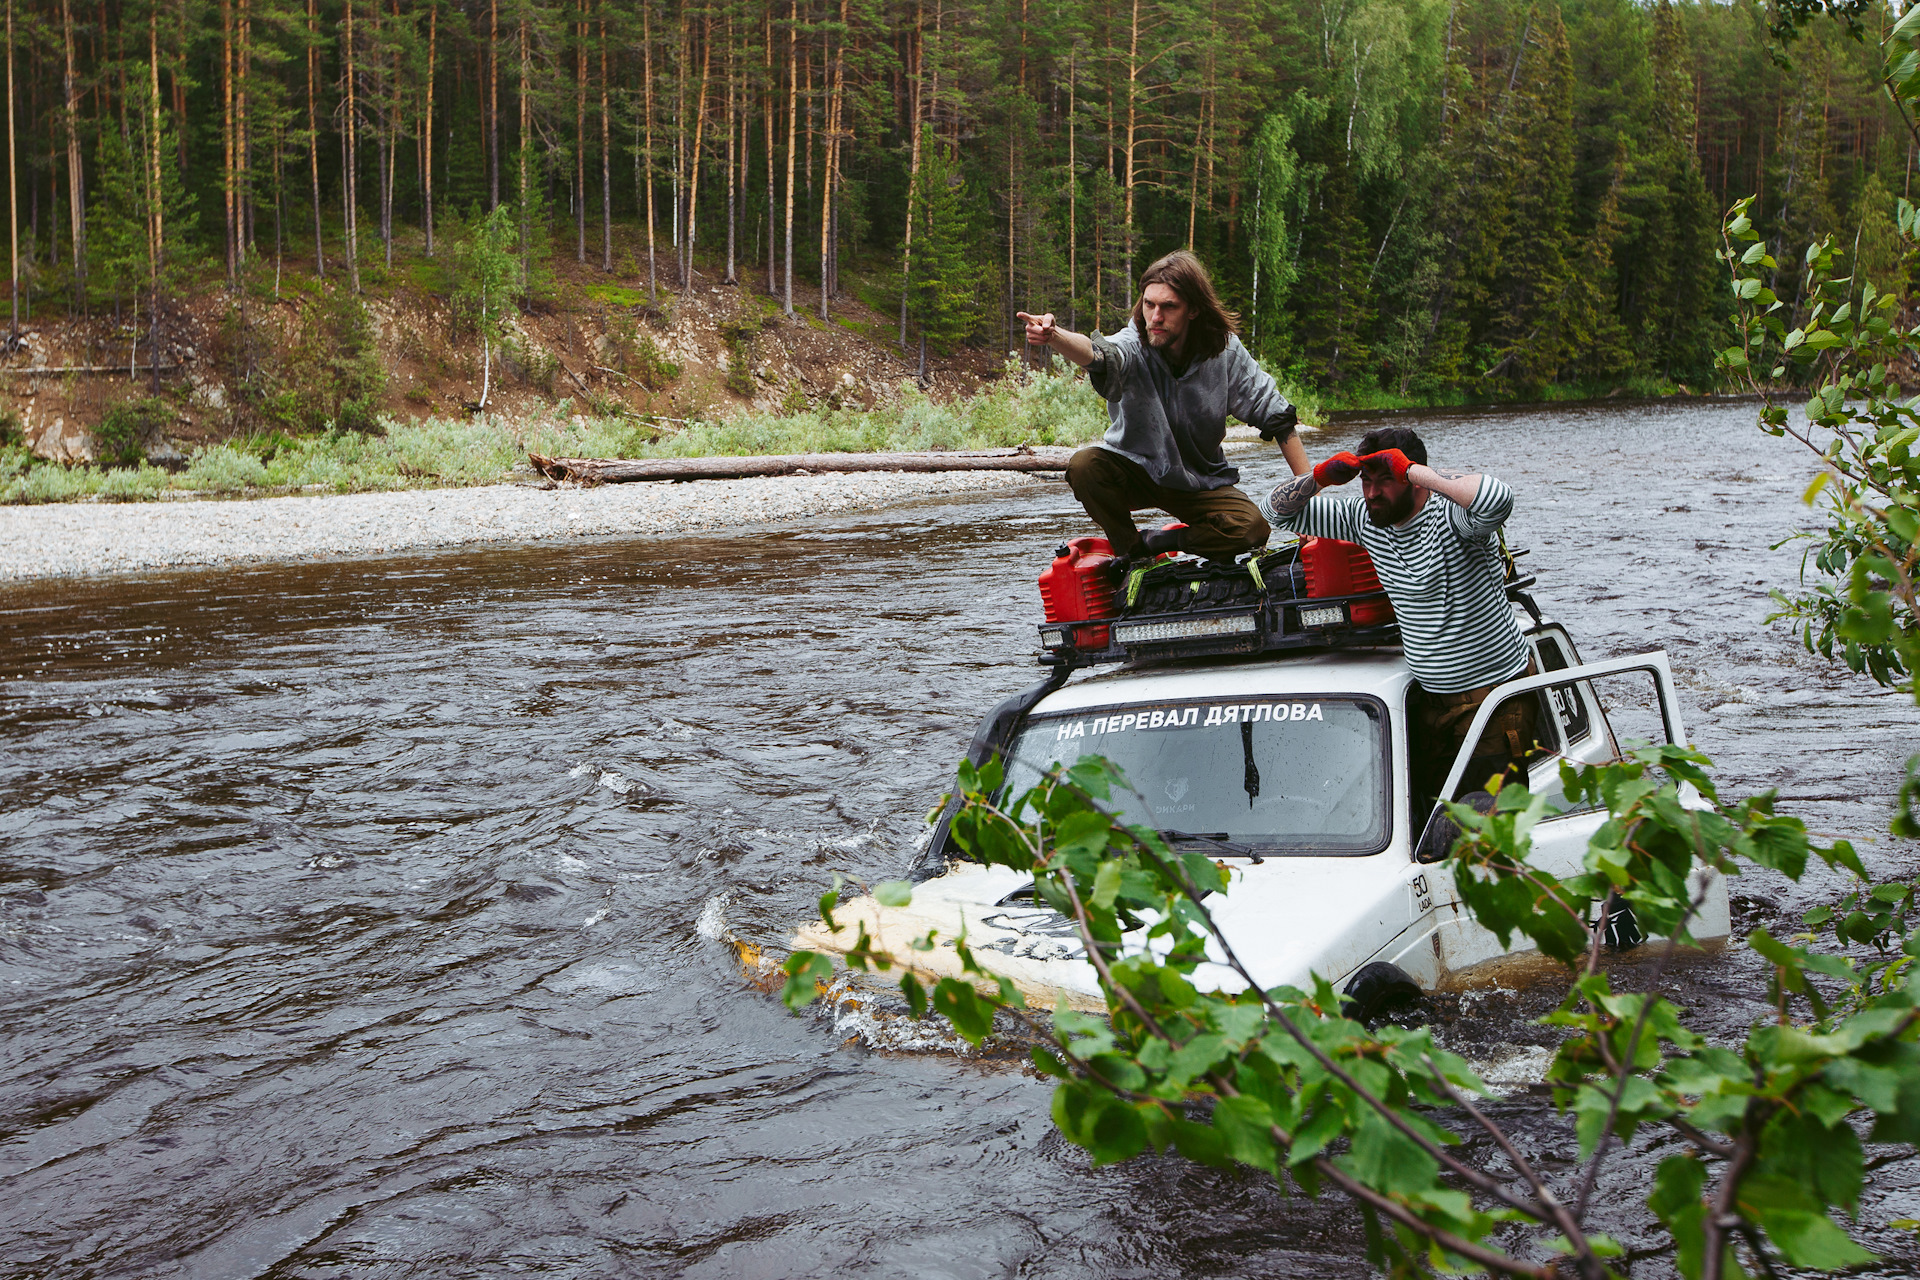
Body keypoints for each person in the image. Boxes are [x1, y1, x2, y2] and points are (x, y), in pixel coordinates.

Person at [1263, 426, 1536, 804]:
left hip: (1491, 703)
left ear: (1414, 479)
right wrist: (1321, 476)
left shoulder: (1455, 518)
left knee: (1489, 837)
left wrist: (1413, 470)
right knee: (1431, 827)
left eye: (1385, 480)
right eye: (1366, 480)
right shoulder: (1365, 518)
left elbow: (1498, 499)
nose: (1372, 492)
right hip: (1432, 704)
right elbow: (1274, 513)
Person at [1017, 251, 1310, 564]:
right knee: (1084, 466)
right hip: (1134, 472)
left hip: (1198, 480)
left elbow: (1279, 419)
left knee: (1251, 528)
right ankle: (1130, 552)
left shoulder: (1225, 352)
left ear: (1193, 310)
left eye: (1168, 306)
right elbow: (1100, 355)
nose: (1155, 317)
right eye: (1149, 304)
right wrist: (1053, 335)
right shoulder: (1133, 341)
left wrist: (1309, 508)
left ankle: (1155, 541)